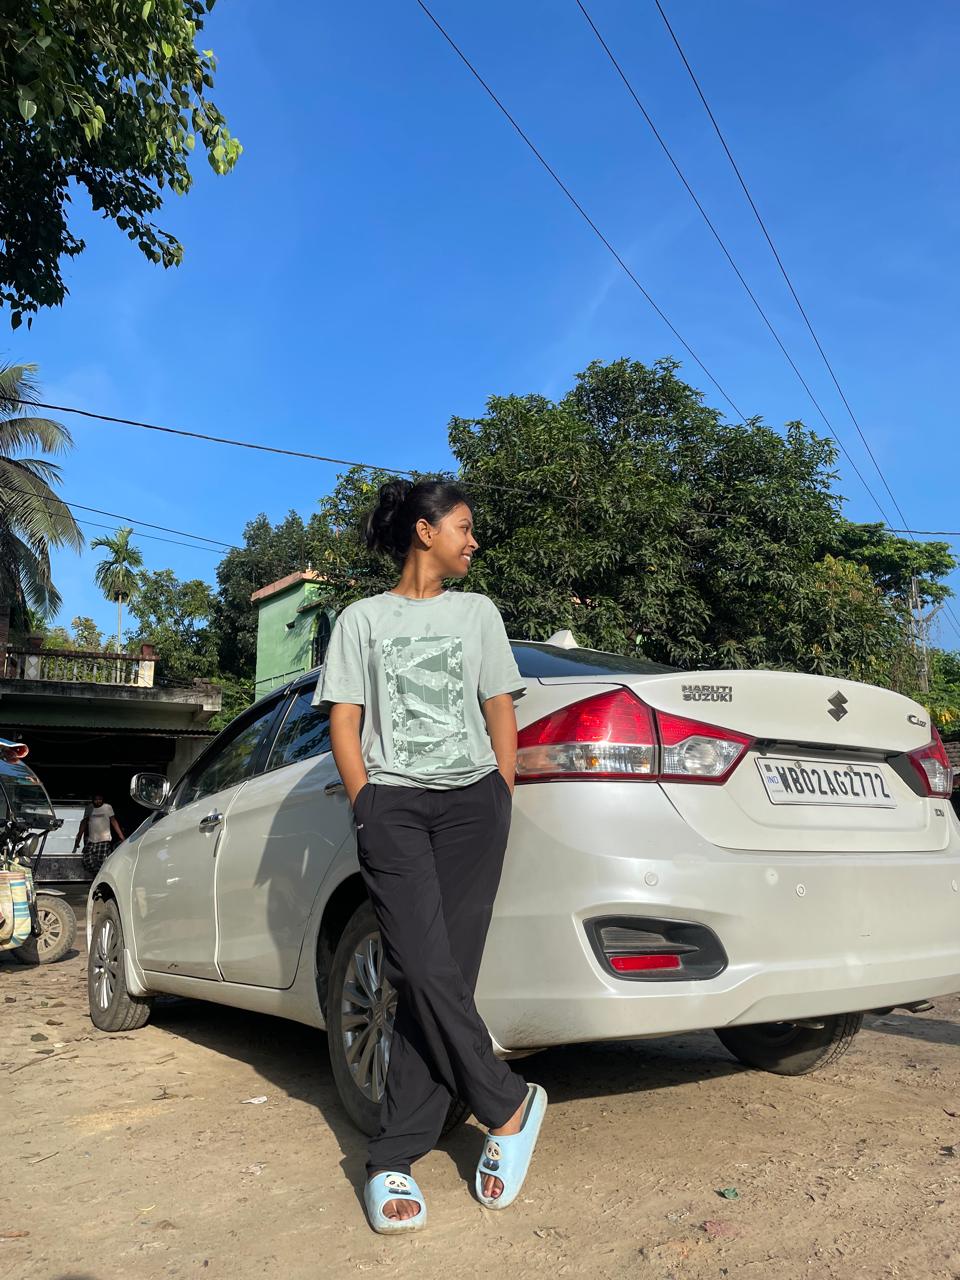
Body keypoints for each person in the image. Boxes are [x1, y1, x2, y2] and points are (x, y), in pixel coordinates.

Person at [314, 478, 547, 1235]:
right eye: (464, 527)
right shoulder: (361, 620)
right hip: (396, 809)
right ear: (424, 531)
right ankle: (507, 1101)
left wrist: (500, 792)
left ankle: (393, 1154)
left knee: (444, 975)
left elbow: (499, 707)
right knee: (415, 964)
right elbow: (344, 720)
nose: (473, 541)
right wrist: (367, 804)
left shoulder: (477, 613)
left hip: (473, 805)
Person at [74, 792, 125, 876]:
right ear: (93, 800)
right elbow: (83, 823)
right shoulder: (89, 808)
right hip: (92, 839)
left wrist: (121, 836)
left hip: (104, 839)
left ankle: (100, 877)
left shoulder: (107, 807)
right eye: (96, 799)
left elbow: (113, 821)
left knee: (102, 860)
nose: (98, 801)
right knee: (86, 859)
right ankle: (97, 874)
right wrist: (78, 840)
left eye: (100, 799)